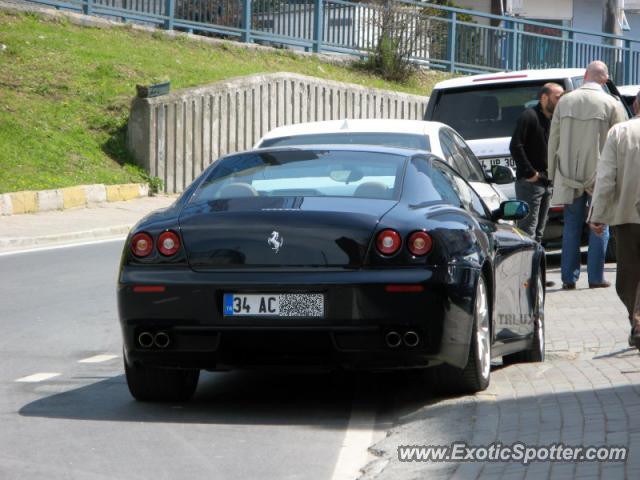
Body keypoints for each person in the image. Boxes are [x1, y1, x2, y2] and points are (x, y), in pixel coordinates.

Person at [547, 60, 627, 290]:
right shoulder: (611, 103)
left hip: (569, 174)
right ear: (604, 79)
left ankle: (568, 279)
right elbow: (619, 143)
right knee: (600, 223)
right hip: (600, 176)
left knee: (571, 225)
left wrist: (553, 173)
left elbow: (554, 139)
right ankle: (595, 277)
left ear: (585, 75)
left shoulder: (565, 101)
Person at [588, 89, 640, 347]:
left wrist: (598, 213)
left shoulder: (619, 133)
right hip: (627, 215)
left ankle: (637, 320)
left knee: (628, 276)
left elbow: (606, 176)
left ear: (634, 105)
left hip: (627, 216)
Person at [510, 82, 564, 243]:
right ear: (544, 97)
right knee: (528, 231)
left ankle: (536, 267)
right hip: (530, 183)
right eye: (557, 97)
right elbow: (515, 146)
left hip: (547, 182)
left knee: (539, 232)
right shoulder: (529, 116)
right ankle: (525, 267)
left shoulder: (554, 120)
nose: (560, 101)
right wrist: (530, 173)